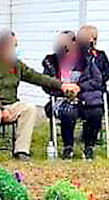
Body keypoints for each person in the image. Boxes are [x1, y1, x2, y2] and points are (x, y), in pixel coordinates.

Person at [0, 29, 79, 161]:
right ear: (3, 46)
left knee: (29, 108)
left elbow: (37, 77)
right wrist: (1, 108)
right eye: (14, 46)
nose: (15, 49)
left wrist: (62, 85)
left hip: (11, 104)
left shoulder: (16, 64)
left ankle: (21, 151)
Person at [41, 30, 104, 160]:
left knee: (95, 112)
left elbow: (97, 80)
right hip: (62, 98)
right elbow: (46, 83)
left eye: (63, 42)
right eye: (59, 43)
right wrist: (64, 90)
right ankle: (67, 147)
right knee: (68, 112)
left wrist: (79, 88)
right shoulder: (51, 62)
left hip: (85, 98)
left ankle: (89, 147)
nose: (59, 45)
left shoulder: (86, 60)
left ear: (73, 43)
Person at [77, 24, 109, 94]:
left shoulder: (100, 55)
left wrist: (97, 81)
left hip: (97, 91)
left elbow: (107, 73)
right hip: (80, 90)